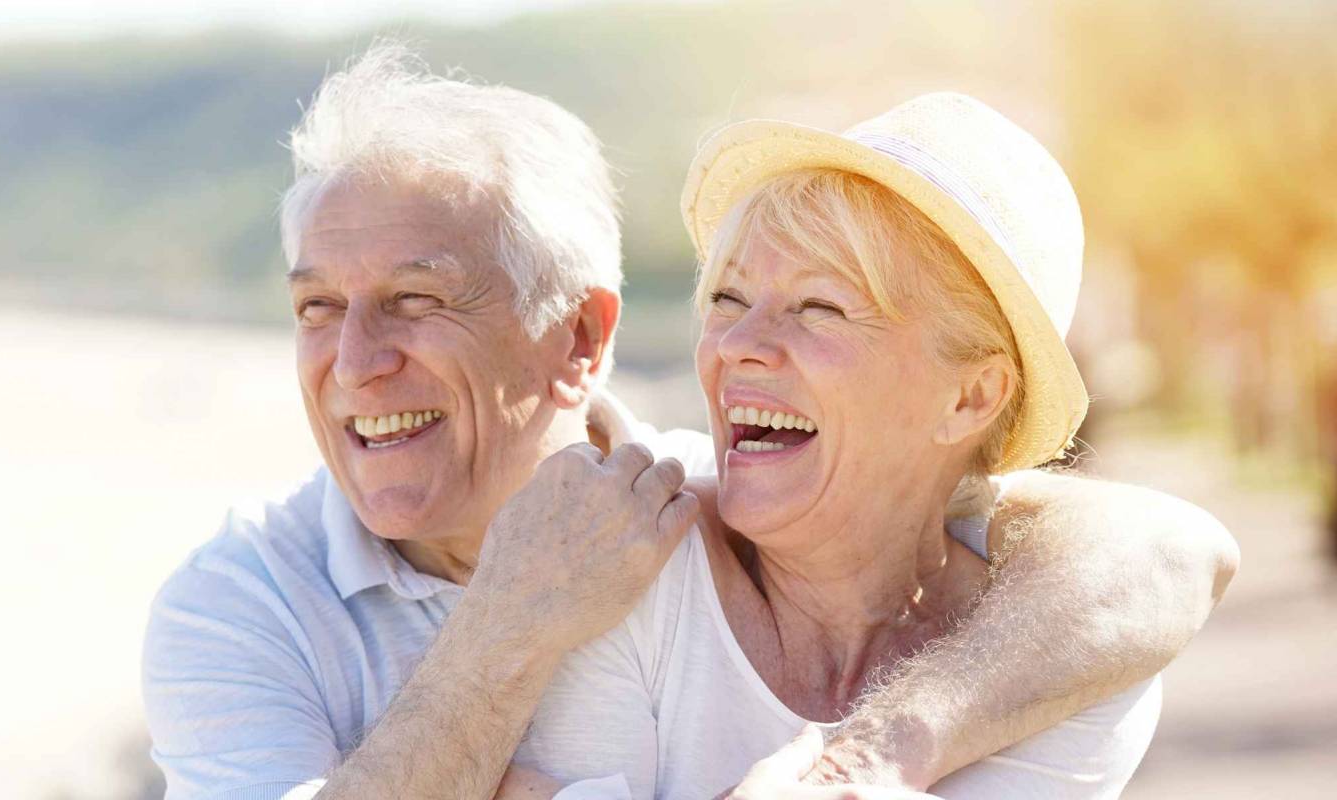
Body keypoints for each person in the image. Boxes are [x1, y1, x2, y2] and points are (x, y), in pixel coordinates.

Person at [142, 43, 1239, 800]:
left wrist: (867, 753)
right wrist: (503, 627)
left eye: (417, 302)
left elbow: (1164, 545)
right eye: (315, 308)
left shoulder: (671, 531)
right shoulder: (241, 601)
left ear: (581, 339)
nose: (354, 361)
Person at [509, 93, 1198, 799]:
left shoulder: (1068, 664)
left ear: (971, 397)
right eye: (729, 299)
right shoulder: (632, 568)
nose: (739, 345)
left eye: (820, 307)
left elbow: (1181, 548)